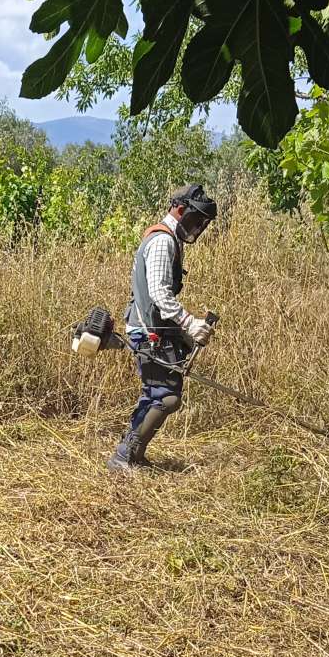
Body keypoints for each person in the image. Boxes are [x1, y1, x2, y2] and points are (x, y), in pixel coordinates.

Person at [107, 182, 218, 473]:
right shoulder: (163, 241)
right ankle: (124, 456)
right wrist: (189, 323)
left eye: (201, 224)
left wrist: (182, 332)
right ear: (179, 210)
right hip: (148, 331)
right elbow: (159, 294)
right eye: (195, 221)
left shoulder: (168, 239)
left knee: (155, 394)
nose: (197, 228)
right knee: (165, 396)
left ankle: (133, 454)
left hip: (154, 329)